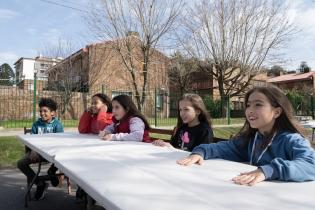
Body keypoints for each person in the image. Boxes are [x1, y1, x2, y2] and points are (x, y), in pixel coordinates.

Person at [177, 86, 315, 186]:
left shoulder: (292, 140)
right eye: (248, 105)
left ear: (277, 112)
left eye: (258, 105)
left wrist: (268, 170)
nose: (250, 110)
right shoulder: (251, 138)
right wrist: (201, 152)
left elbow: (310, 164)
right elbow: (224, 147)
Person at [17, 98, 64, 200]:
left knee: (64, 158)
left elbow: (59, 144)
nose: (42, 113)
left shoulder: (58, 125)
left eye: (45, 111)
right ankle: (40, 183)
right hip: (37, 153)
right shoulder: (36, 124)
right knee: (21, 163)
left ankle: (52, 172)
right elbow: (32, 141)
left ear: (53, 113)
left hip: (53, 154)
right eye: (41, 111)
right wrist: (33, 151)